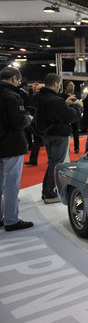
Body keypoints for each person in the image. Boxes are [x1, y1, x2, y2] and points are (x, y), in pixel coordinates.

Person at [32, 73, 82, 203]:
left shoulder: (38, 97)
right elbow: (71, 116)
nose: (59, 87)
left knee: (52, 163)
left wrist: (64, 103)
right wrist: (78, 106)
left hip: (45, 134)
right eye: (59, 84)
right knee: (56, 164)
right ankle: (49, 193)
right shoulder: (55, 100)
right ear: (55, 84)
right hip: (58, 135)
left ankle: (47, 192)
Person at [0, 66, 34, 231]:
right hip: (11, 145)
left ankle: (1, 217)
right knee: (11, 184)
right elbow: (17, 122)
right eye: (19, 80)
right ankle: (12, 220)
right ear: (14, 78)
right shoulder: (12, 96)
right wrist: (27, 119)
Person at [59, 81, 80, 153]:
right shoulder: (61, 96)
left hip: (74, 115)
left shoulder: (77, 94)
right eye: (70, 85)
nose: (72, 86)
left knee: (76, 131)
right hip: (65, 116)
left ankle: (77, 148)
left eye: (73, 85)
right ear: (66, 86)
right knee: (67, 131)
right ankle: (67, 148)